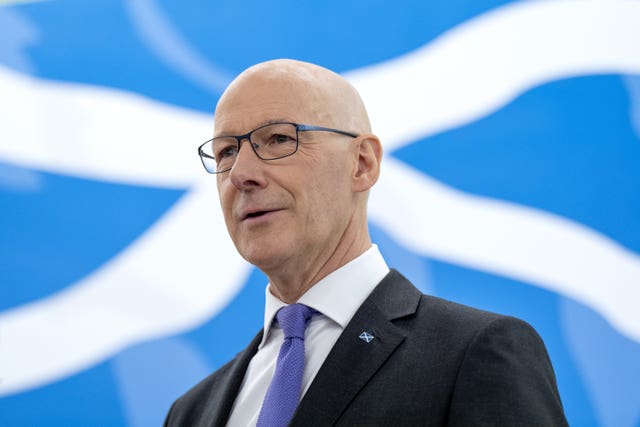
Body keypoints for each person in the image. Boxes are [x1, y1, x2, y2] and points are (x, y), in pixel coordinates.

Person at [164, 59, 568, 426]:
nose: (241, 174)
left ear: (362, 164)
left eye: (278, 140)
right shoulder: (191, 412)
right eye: (226, 152)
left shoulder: (474, 354)